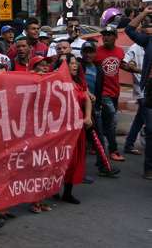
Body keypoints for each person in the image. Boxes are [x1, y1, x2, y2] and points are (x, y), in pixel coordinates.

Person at [53, 54, 91, 204]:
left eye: (76, 63)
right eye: (71, 63)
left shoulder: (79, 82)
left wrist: (88, 117)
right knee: (59, 160)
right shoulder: (56, 82)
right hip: (62, 129)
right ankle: (52, 188)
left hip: (78, 127)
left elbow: (86, 98)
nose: (75, 66)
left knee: (74, 161)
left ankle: (67, 193)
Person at [123, 6, 152, 179]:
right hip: (150, 90)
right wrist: (145, 12)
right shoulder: (148, 41)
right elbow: (129, 29)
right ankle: (149, 167)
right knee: (151, 130)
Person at [94, 26, 126, 163]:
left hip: (115, 92)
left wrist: (136, 68)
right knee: (112, 121)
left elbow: (121, 64)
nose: (106, 37)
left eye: (109, 35)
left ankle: (95, 144)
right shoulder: (96, 52)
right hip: (103, 93)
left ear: (115, 37)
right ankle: (113, 150)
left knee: (107, 122)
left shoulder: (119, 51)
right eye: (104, 35)